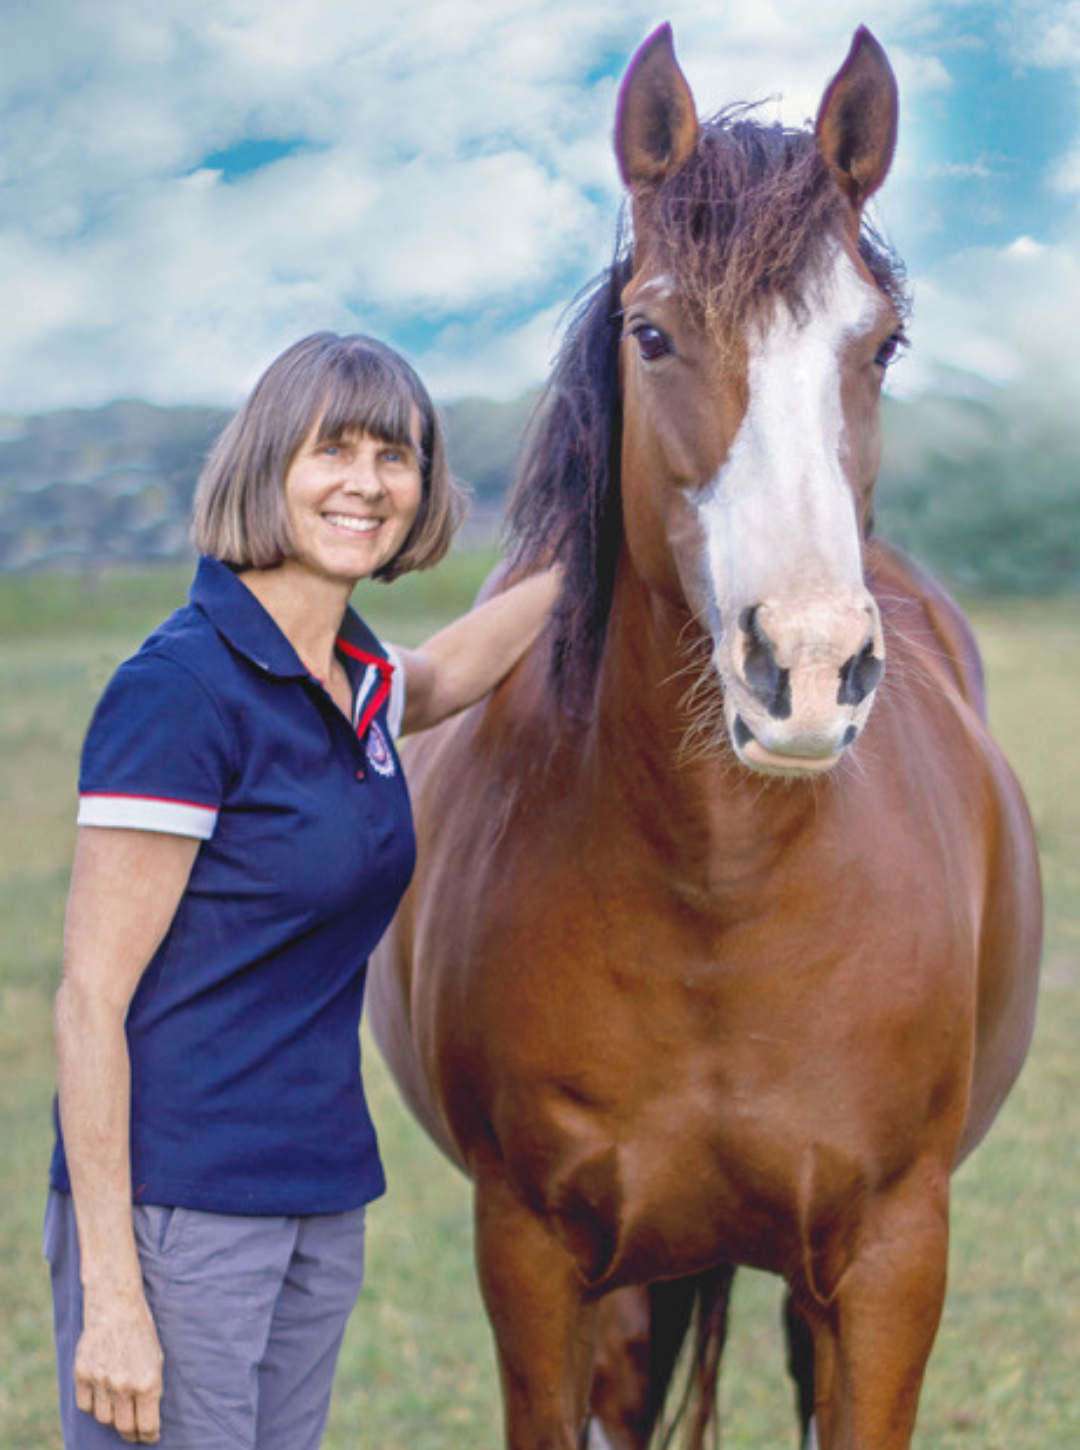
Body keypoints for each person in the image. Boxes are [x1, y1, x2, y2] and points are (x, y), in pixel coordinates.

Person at [45, 332, 558, 1449]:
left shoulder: (358, 681)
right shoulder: (181, 690)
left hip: (317, 1199)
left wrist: (604, 543)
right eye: (333, 448)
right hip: (180, 1209)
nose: (366, 482)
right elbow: (88, 1000)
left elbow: (457, 668)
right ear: (268, 463)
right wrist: (115, 1294)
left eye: (396, 453)